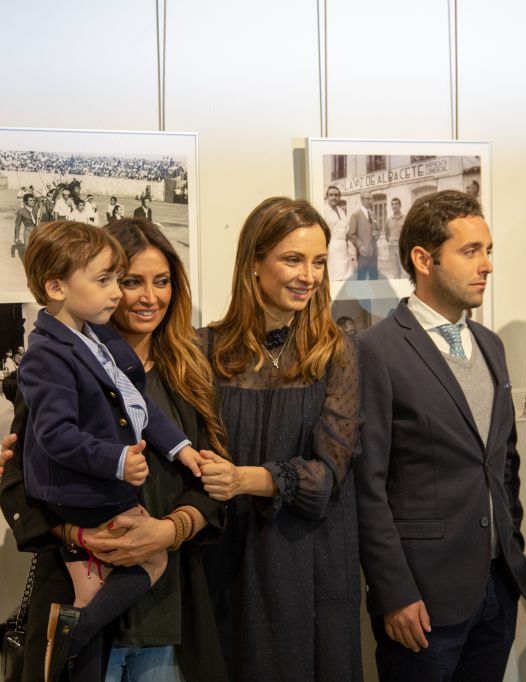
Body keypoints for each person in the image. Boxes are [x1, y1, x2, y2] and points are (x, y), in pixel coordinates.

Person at [0, 217, 229, 682]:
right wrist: (78, 535)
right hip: (78, 594)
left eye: (162, 281)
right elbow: (20, 489)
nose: (148, 297)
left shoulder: (192, 373)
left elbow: (212, 483)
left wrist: (169, 531)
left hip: (166, 615)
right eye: (129, 281)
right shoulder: (59, 365)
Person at [356, 190, 526, 681]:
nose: (487, 265)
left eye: (488, 250)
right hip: (422, 599)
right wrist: (393, 591)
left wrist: (512, 543)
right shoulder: (376, 350)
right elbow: (367, 486)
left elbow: (503, 461)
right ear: (423, 259)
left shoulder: (490, 345)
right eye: (470, 251)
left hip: (497, 586)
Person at [195, 196, 362, 682]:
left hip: (308, 562)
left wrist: (246, 479)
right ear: (254, 263)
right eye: (293, 259)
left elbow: (328, 476)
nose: (309, 276)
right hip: (224, 558)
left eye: (318, 262)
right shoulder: (203, 349)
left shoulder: (336, 353)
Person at [323, 185, 355, 280]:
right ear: (327, 197)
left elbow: (346, 230)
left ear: (339, 197)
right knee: (334, 277)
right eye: (331, 195)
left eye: (336, 195)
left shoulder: (342, 211)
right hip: (331, 248)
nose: (334, 197)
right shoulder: (324, 211)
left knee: (345, 277)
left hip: (343, 248)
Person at [348, 191, 379, 280]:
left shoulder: (373, 214)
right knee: (361, 278)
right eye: (368, 199)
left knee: (374, 278)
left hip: (374, 252)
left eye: (371, 199)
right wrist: (360, 246)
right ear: (361, 200)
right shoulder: (355, 215)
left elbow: (377, 229)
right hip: (362, 254)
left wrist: (377, 234)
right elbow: (351, 234)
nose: (370, 201)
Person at [383, 197, 406, 278]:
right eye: (392, 204)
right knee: (395, 273)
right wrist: (391, 241)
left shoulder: (405, 218)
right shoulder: (388, 220)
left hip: (402, 248)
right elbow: (387, 234)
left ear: (400, 205)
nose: (394, 206)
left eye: (396, 204)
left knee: (405, 273)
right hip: (392, 248)